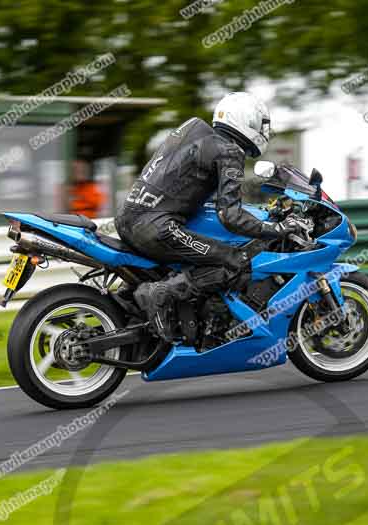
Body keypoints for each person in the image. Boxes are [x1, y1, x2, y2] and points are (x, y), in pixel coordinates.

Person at [115, 92, 302, 342]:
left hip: (129, 219)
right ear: (245, 120)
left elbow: (189, 187)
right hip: (156, 228)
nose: (263, 131)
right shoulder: (229, 151)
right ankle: (161, 294)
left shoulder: (192, 129)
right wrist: (276, 228)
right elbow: (230, 216)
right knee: (235, 261)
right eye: (260, 124)